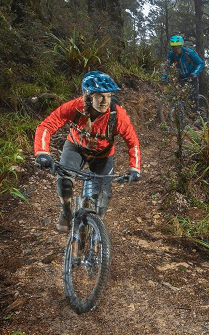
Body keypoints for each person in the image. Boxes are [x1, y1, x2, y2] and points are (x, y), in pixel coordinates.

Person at [34, 71, 141, 231]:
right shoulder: (75, 107)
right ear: (89, 96)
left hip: (103, 154)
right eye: (100, 96)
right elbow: (46, 125)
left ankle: (97, 231)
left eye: (108, 96)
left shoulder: (117, 115)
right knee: (65, 183)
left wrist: (134, 169)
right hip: (76, 148)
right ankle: (66, 211)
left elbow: (133, 142)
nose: (105, 101)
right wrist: (42, 153)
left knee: (102, 197)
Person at [162, 35, 205, 113]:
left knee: (193, 97)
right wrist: (164, 76)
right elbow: (166, 66)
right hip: (182, 76)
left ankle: (197, 114)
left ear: (181, 46)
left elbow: (201, 63)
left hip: (192, 76)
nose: (176, 49)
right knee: (179, 95)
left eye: (178, 47)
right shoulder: (172, 54)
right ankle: (183, 113)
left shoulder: (189, 52)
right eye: (174, 48)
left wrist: (195, 73)